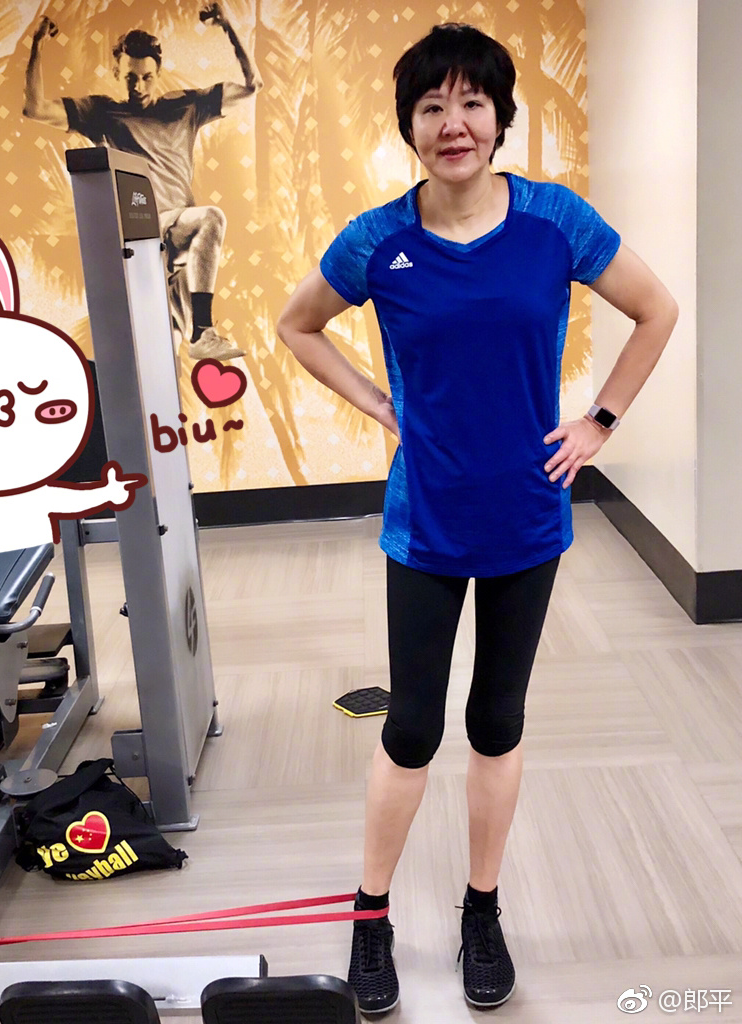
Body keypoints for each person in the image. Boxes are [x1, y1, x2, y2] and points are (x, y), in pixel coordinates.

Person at [276, 22, 678, 1016]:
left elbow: (657, 309)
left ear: (500, 118)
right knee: (412, 726)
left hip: (527, 518)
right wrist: (377, 403)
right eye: (431, 106)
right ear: (409, 125)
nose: (452, 123)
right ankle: (371, 914)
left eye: (471, 103)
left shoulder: (555, 221)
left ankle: (481, 910)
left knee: (497, 721)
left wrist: (599, 421)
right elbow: (297, 324)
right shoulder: (377, 240)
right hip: (425, 520)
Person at [23, 5, 262, 362]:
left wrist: (228, 25)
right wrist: (36, 43)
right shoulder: (103, 113)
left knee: (169, 354)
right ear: (117, 73)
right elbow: (35, 109)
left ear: (158, 73)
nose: (138, 86)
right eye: (130, 78)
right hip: (142, 232)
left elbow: (252, 86)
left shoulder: (186, 107)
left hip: (177, 243)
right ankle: (202, 329)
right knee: (211, 218)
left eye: (147, 77)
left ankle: (194, 335)